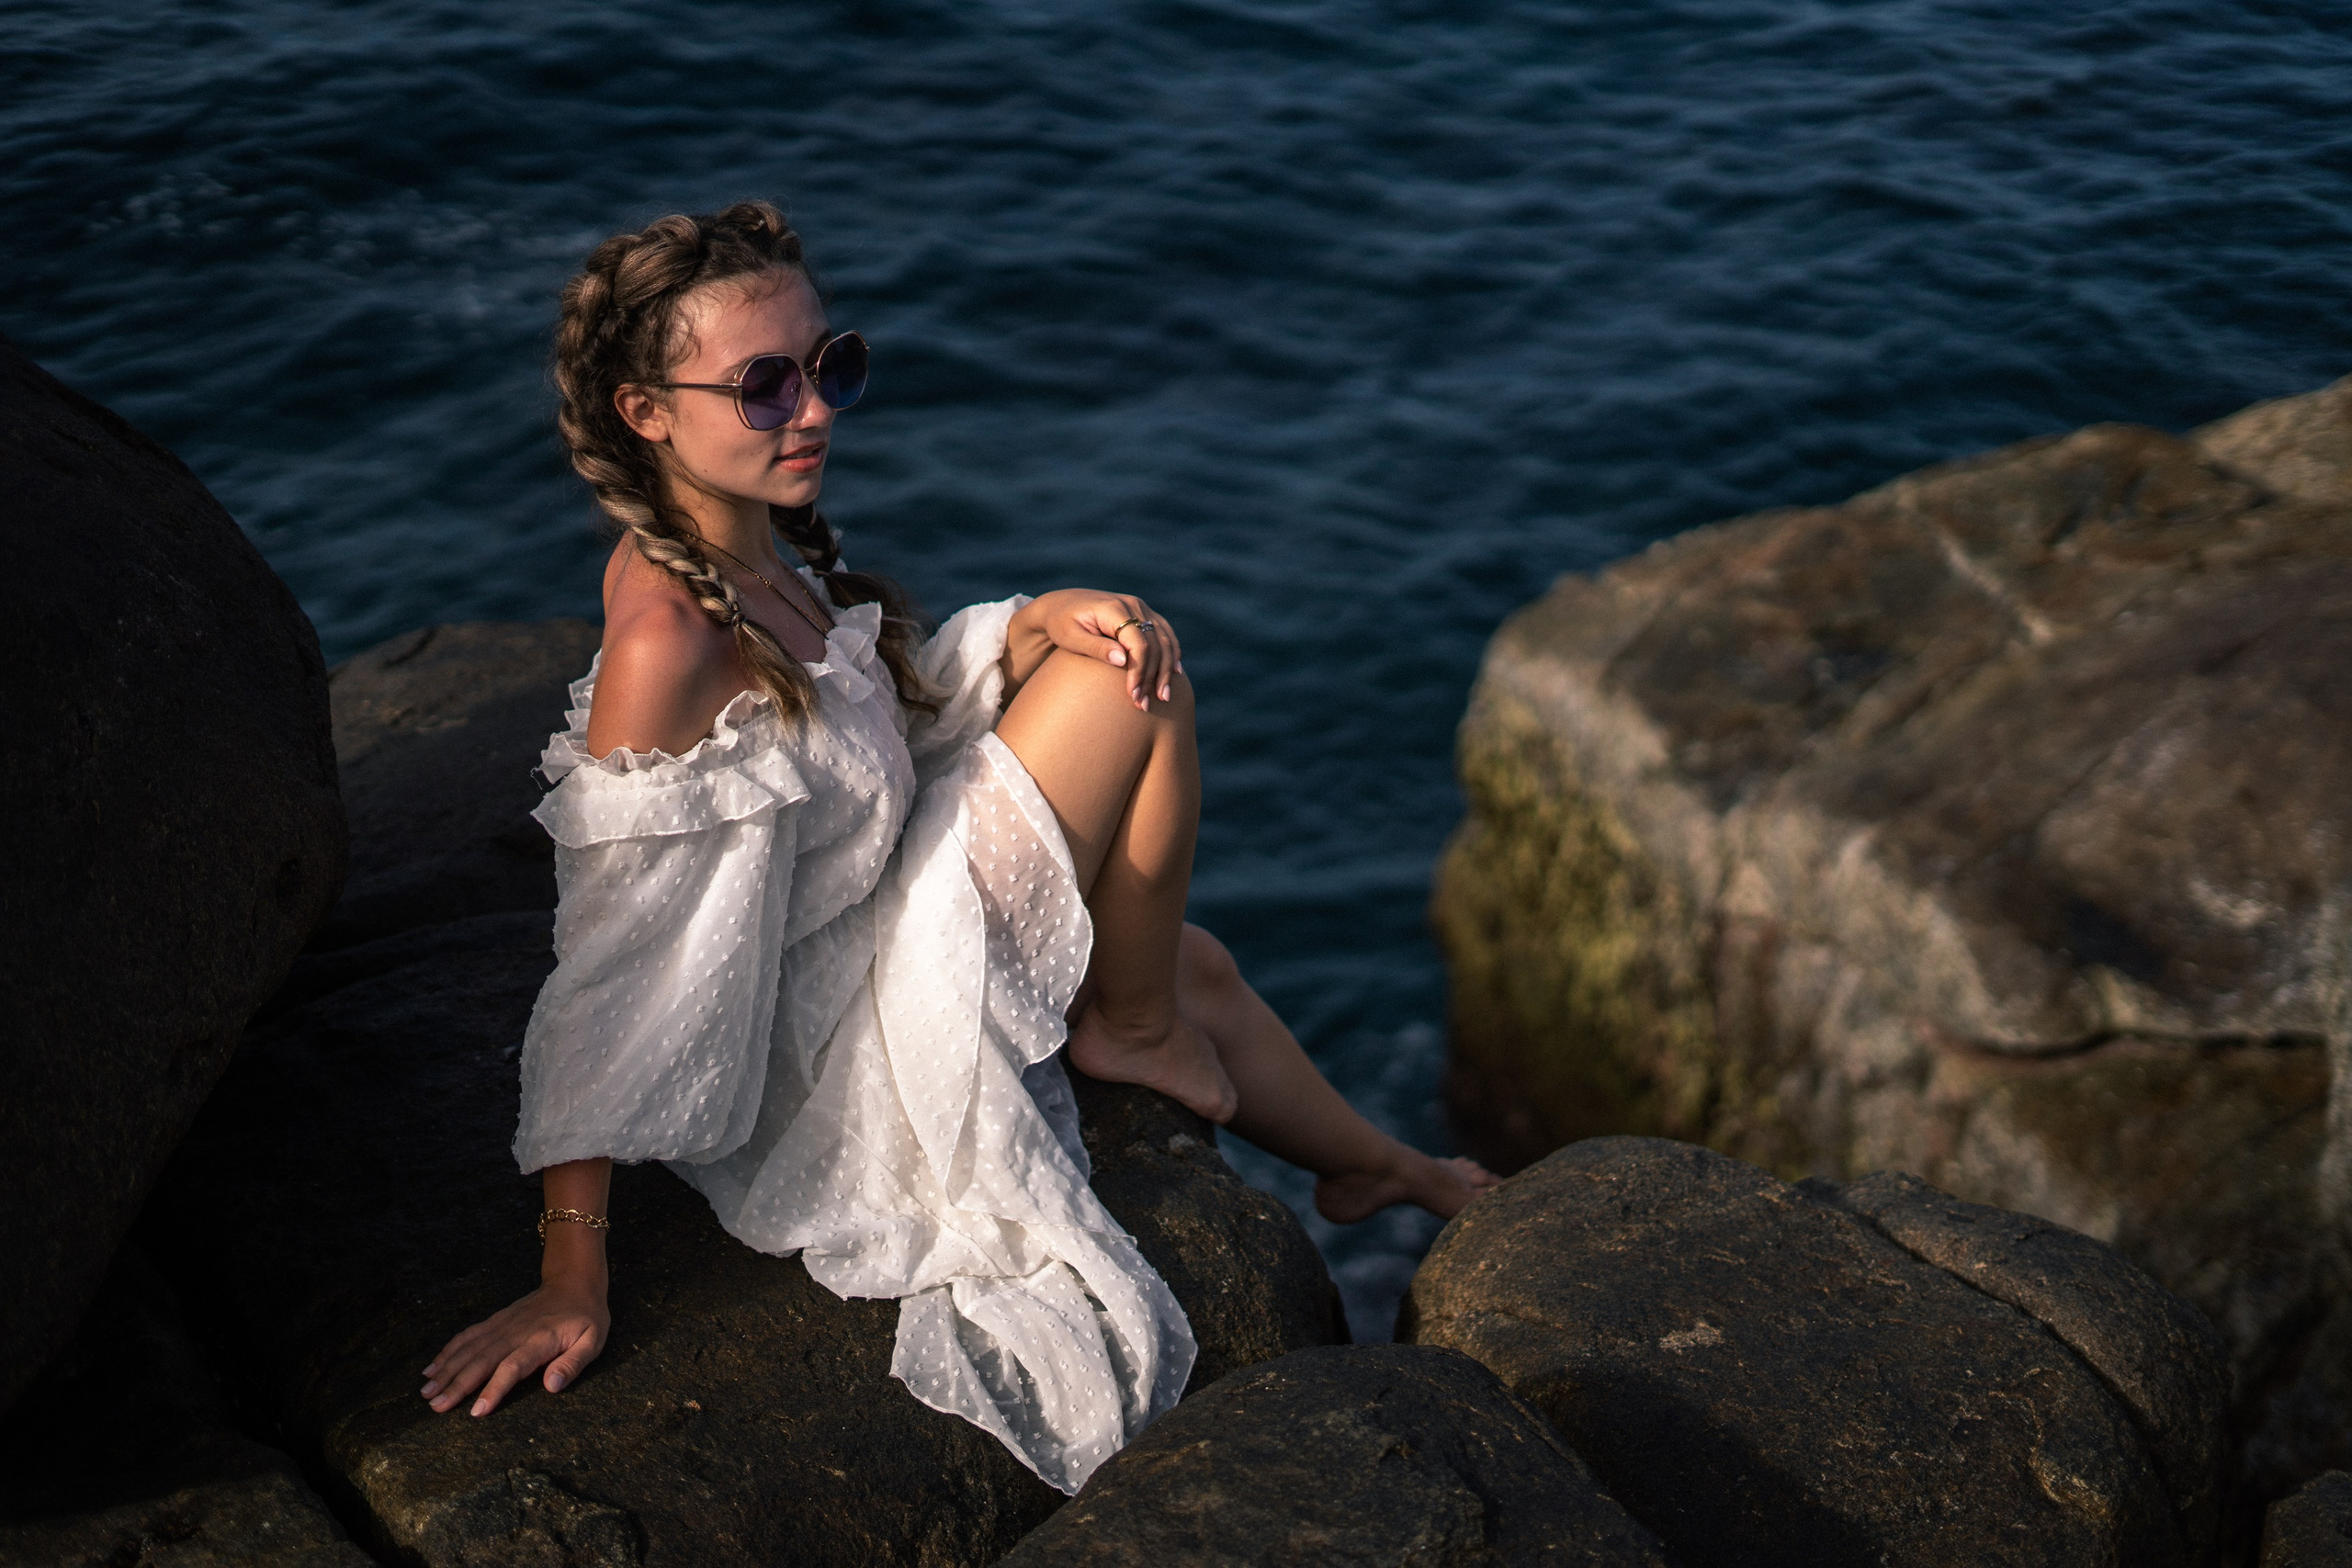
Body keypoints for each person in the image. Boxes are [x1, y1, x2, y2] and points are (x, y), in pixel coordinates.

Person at [418, 200, 1497, 1492]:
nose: (813, 411)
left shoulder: (751, 554)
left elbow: (857, 735)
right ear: (646, 412)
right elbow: (616, 970)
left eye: (831, 366)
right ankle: (1136, 1027)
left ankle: (1385, 1170)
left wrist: (1028, 623)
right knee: (1129, 682)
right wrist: (570, 1273)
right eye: (763, 387)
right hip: (833, 1031)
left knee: (1188, 933)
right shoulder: (670, 641)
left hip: (871, 912)